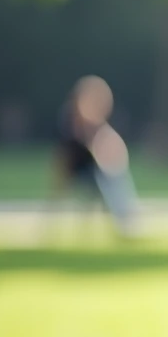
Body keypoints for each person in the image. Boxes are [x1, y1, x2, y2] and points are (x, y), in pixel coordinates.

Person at [50, 75, 140, 236]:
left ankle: (126, 224)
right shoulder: (71, 124)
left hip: (98, 172)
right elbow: (65, 155)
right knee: (107, 181)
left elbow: (108, 148)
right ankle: (125, 226)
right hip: (80, 172)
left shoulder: (97, 125)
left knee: (114, 178)